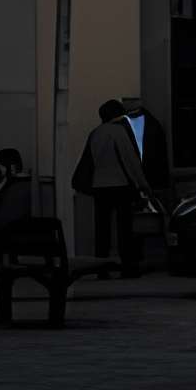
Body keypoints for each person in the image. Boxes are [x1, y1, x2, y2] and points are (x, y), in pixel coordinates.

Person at [72, 97, 155, 274]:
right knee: (124, 228)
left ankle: (101, 267)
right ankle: (128, 266)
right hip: (120, 185)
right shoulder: (119, 132)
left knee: (102, 229)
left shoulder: (95, 133)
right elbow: (130, 160)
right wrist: (143, 184)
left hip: (100, 186)